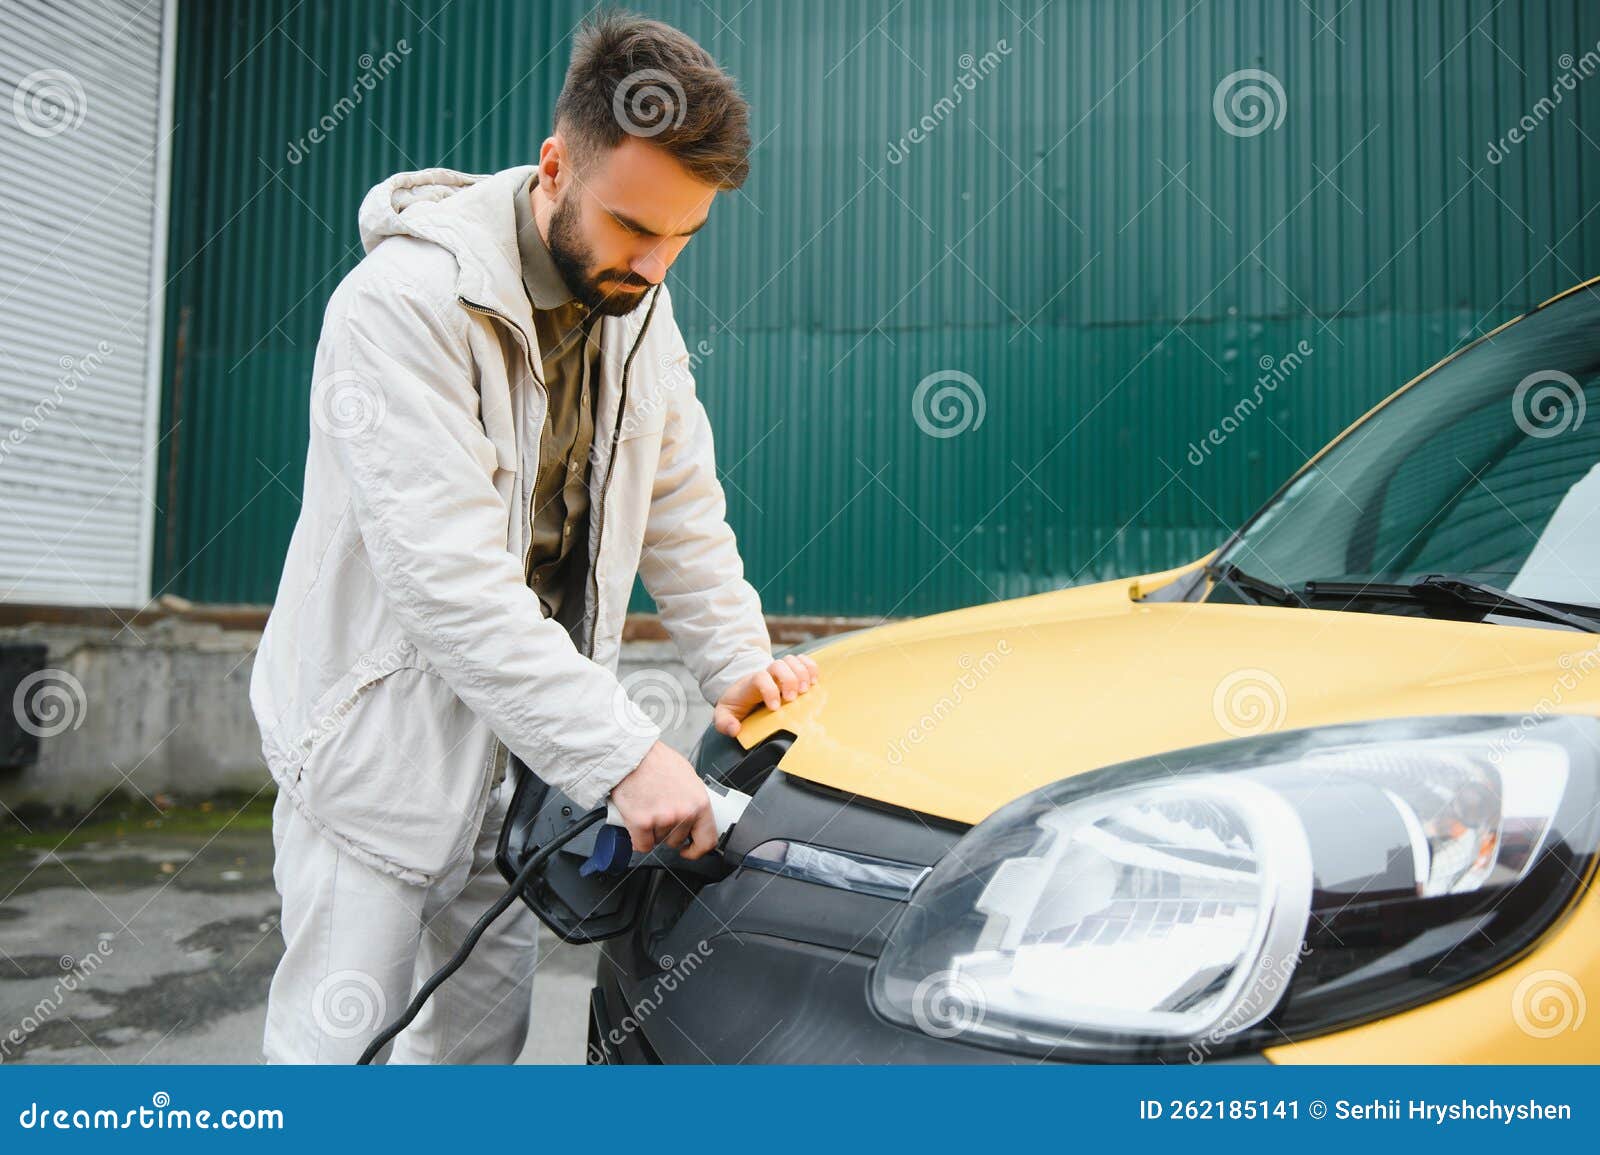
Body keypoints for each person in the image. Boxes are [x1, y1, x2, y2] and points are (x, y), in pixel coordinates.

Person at [252, 11, 818, 1063]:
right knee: (333, 1063)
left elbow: (680, 500)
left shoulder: (638, 305)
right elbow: (447, 582)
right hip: (375, 759)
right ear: (556, 166)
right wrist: (625, 757)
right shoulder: (398, 309)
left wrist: (737, 662)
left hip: (529, 770)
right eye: (632, 229)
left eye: (679, 239)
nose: (652, 266)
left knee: (481, 1059)